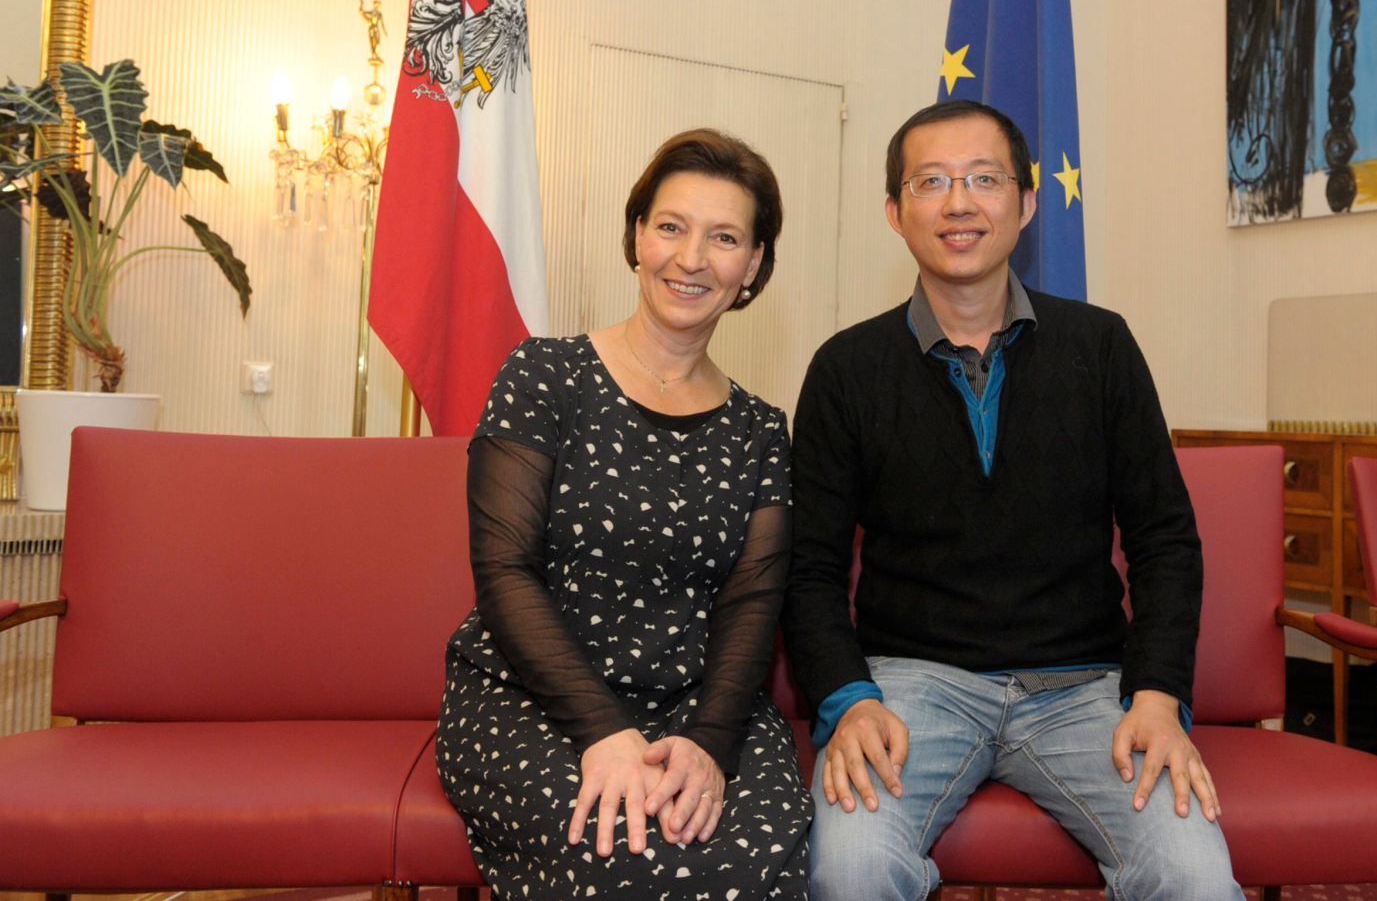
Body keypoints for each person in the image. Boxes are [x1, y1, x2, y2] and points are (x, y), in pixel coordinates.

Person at [783, 100, 1244, 901]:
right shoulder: (846, 367)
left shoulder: (1101, 347)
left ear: (1027, 203)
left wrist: (1159, 694)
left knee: (1192, 872)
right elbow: (809, 567)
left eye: (984, 179)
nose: (958, 202)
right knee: (849, 868)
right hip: (910, 686)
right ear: (895, 213)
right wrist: (849, 700)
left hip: (1087, 689)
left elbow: (1165, 539)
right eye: (931, 182)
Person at [437, 129, 810, 900]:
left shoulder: (761, 429)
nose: (691, 257)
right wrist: (604, 732)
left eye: (725, 237)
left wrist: (707, 744)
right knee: (634, 853)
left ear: (755, 266)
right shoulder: (545, 374)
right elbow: (504, 569)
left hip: (699, 704)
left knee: (759, 855)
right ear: (637, 235)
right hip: (535, 696)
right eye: (671, 226)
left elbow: (752, 601)